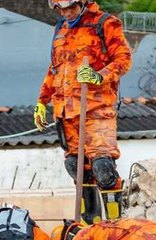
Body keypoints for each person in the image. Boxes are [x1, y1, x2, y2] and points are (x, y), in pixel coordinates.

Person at [35, 0, 132, 223]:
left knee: (103, 168)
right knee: (76, 167)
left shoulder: (106, 23)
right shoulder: (60, 28)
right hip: (66, 112)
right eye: (61, 9)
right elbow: (54, 69)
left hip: (96, 109)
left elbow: (124, 59)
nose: (66, 13)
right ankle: (90, 223)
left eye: (71, 8)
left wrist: (99, 75)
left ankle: (114, 224)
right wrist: (42, 101)